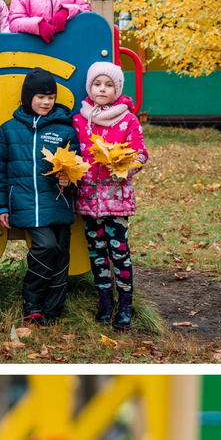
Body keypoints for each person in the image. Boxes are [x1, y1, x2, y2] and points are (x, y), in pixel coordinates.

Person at [0, 67, 84, 325]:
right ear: (27, 97)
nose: (46, 102)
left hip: (58, 202)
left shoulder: (65, 130)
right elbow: (0, 171)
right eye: (40, 97)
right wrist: (1, 206)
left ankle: (53, 310)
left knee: (61, 255)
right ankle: (32, 303)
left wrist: (71, 179)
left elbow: (78, 168)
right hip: (26, 204)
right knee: (46, 247)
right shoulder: (8, 130)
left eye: (51, 97)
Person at [74, 60, 150, 328]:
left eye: (108, 85)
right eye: (97, 84)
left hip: (116, 199)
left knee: (119, 251)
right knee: (96, 252)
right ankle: (104, 298)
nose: (102, 89)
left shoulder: (127, 119)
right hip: (88, 198)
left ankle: (125, 302)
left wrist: (125, 166)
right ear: (89, 87)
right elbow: (73, 155)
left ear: (117, 89)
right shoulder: (80, 119)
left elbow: (141, 154)